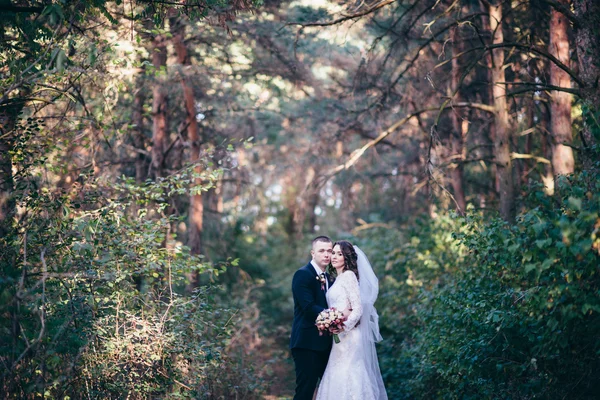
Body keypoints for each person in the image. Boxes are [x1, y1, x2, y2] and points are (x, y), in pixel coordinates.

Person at [316, 240, 387, 400]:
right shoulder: (338, 278)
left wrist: (344, 326)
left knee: (349, 374)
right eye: (333, 253)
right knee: (337, 373)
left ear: (346, 257)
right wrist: (330, 320)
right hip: (339, 337)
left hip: (350, 336)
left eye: (339, 254)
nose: (334, 257)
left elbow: (358, 309)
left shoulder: (349, 276)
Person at [290, 236, 334, 400]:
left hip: (327, 344)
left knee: (330, 390)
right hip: (306, 343)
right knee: (305, 391)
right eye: (322, 250)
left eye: (329, 251)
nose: (326, 254)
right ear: (312, 253)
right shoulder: (302, 275)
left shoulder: (330, 278)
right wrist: (335, 316)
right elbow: (308, 308)